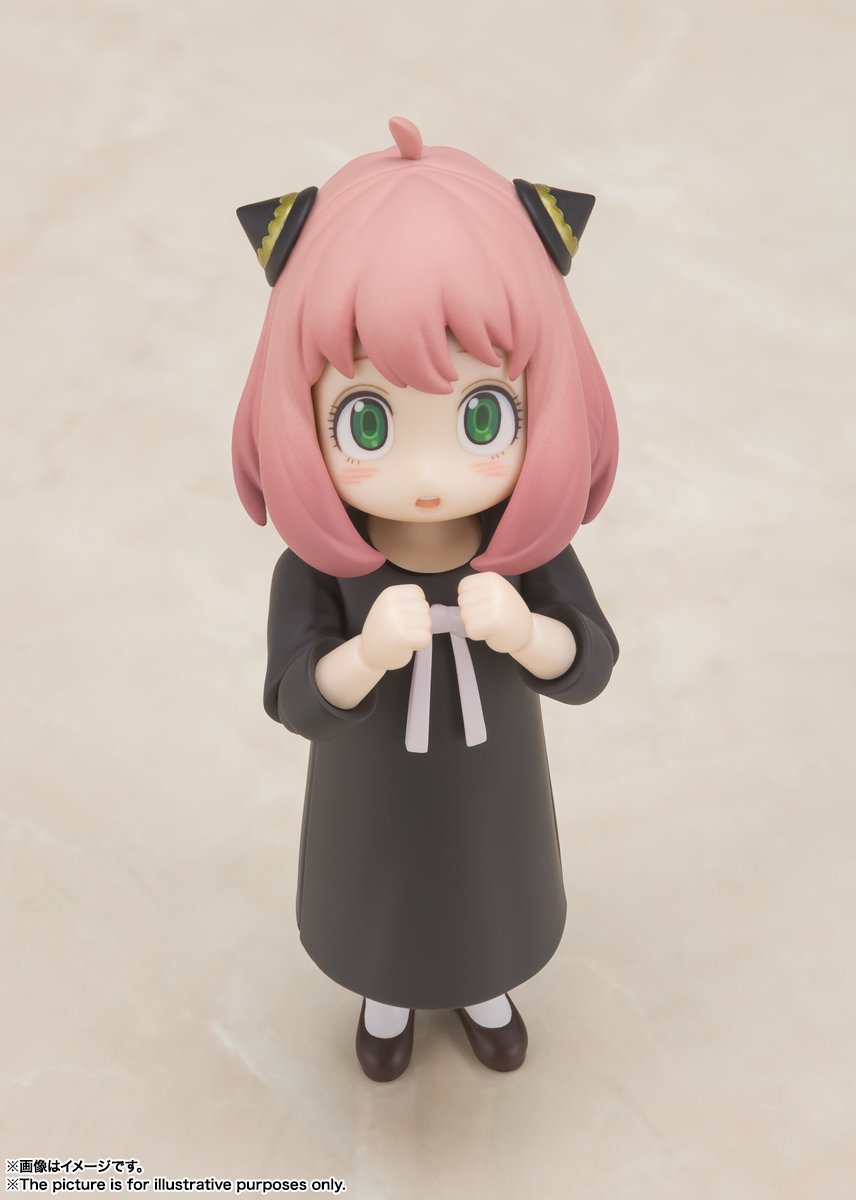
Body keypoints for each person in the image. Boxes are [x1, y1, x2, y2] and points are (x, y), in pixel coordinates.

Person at [232, 118, 619, 1081]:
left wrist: (527, 633)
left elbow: (591, 664)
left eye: (481, 415)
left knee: (490, 887)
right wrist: (363, 656)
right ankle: (386, 997)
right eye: (368, 422)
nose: (430, 475)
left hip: (495, 790)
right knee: (382, 895)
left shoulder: (525, 554)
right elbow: (293, 698)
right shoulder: (319, 569)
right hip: (370, 796)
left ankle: (486, 987)